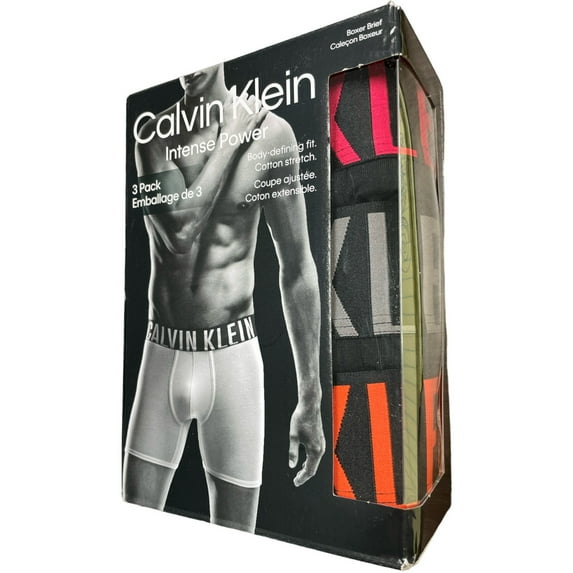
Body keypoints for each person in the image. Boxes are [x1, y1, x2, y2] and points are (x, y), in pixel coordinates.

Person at [123, 63, 325, 533]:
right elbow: (180, 231)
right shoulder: (153, 137)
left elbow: (298, 268)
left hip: (234, 357)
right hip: (161, 352)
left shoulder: (272, 136)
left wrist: (310, 398)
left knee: (236, 543)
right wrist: (232, 137)